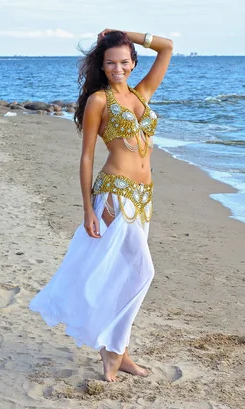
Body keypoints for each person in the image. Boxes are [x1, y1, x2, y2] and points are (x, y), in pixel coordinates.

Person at [29, 29, 173, 382]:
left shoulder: (143, 93)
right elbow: (87, 158)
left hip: (143, 200)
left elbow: (167, 47)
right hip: (113, 195)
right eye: (110, 63)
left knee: (123, 274)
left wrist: (122, 32)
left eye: (124, 61)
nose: (118, 68)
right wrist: (87, 209)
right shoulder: (99, 101)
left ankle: (119, 351)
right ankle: (111, 350)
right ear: (102, 65)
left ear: (134, 62)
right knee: (143, 272)